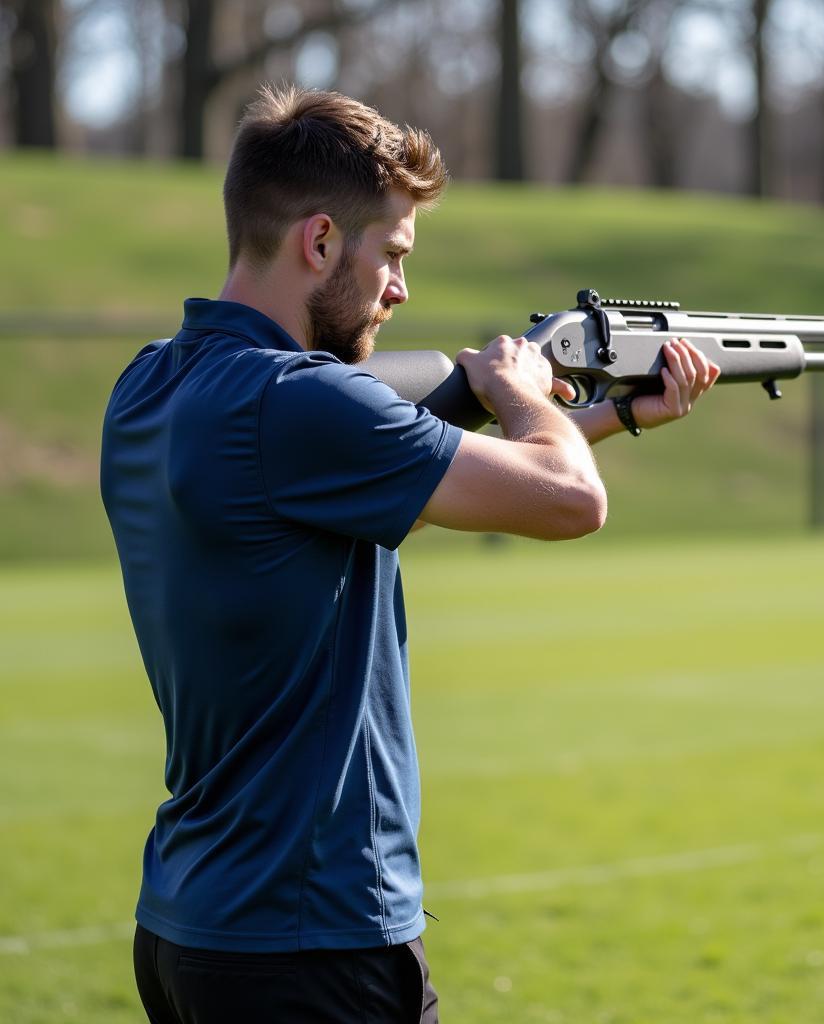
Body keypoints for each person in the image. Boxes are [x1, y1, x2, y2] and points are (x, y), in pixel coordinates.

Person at [101, 84, 719, 1024]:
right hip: (317, 940)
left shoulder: (150, 383)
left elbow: (372, 498)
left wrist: (611, 412)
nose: (400, 288)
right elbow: (571, 504)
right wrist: (522, 393)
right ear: (318, 242)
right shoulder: (303, 403)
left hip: (189, 930)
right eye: (391, 253)